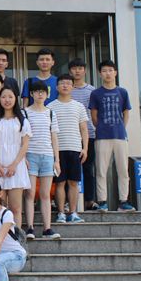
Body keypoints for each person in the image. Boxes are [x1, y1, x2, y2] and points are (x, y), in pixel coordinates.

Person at [89, 60, 135, 212]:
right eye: (104, 71)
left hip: (120, 136)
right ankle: (102, 202)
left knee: (123, 170)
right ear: (100, 74)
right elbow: (94, 116)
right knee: (101, 170)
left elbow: (126, 113)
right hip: (102, 136)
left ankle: (123, 201)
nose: (107, 73)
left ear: (115, 72)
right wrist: (102, 127)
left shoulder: (123, 92)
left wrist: (121, 128)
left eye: (110, 70)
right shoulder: (96, 93)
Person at [48, 74, 89, 223]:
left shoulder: (79, 106)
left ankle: (73, 212)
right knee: (59, 182)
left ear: (72, 87)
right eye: (62, 83)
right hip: (57, 151)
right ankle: (60, 213)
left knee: (73, 182)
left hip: (75, 148)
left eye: (68, 83)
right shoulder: (50, 107)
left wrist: (85, 148)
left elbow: (84, 129)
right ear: (57, 87)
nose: (65, 86)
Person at [0, 86, 32, 229]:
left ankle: (16, 237)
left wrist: (14, 165)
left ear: (15, 99)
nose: (7, 100)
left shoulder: (23, 121)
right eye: (3, 97)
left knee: (15, 208)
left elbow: (25, 145)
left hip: (16, 168)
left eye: (10, 97)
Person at [24, 80, 61, 240]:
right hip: (30, 155)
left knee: (45, 194)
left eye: (43, 92)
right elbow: (22, 137)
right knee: (30, 193)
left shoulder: (51, 113)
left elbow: (54, 137)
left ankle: (47, 228)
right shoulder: (25, 112)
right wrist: (23, 157)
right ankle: (30, 228)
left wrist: (57, 160)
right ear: (31, 94)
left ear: (47, 94)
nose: (40, 94)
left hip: (47, 156)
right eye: (37, 92)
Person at [69, 58, 98, 210]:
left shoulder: (92, 91)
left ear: (85, 71)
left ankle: (89, 200)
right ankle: (69, 201)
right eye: (74, 68)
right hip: (70, 136)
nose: (77, 71)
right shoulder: (67, 89)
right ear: (70, 71)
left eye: (80, 68)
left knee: (88, 168)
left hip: (90, 134)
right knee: (69, 170)